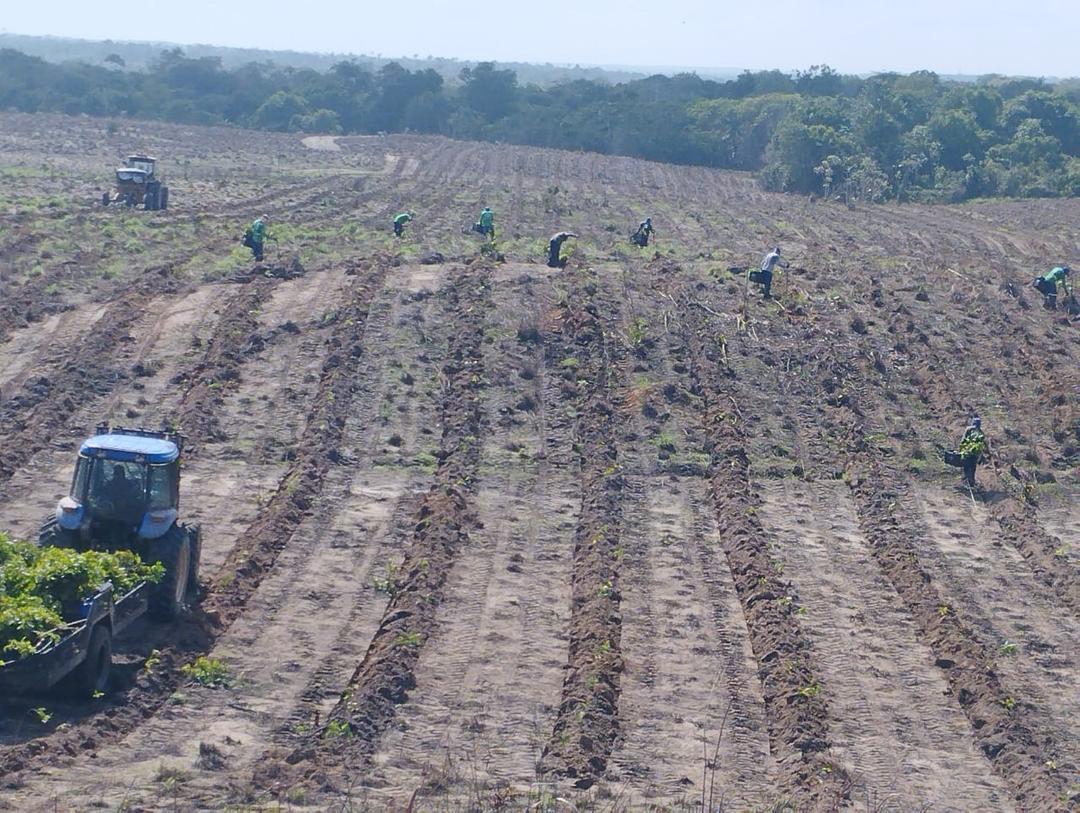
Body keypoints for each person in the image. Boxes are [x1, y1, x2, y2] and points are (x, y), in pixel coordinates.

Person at [957, 416, 987, 488]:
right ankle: (971, 483)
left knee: (966, 466)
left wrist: (960, 449)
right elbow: (981, 445)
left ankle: (966, 482)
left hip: (967, 451)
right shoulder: (981, 432)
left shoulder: (968, 429)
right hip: (975, 454)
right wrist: (980, 455)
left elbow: (963, 440)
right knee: (973, 467)